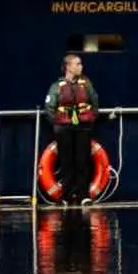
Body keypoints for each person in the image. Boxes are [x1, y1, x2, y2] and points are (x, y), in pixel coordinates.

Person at [39, 48, 113, 207]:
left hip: (83, 128)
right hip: (63, 129)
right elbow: (49, 107)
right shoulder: (57, 86)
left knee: (82, 161)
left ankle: (83, 195)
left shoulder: (86, 85)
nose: (81, 67)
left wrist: (89, 120)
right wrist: (58, 123)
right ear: (68, 67)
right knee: (66, 162)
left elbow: (95, 103)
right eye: (78, 64)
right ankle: (65, 196)